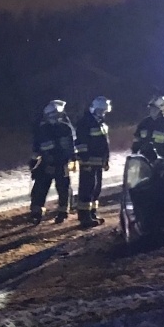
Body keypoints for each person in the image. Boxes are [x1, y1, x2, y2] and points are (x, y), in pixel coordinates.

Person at [29, 100, 77, 225]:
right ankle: (36, 211)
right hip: (47, 163)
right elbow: (37, 147)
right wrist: (33, 161)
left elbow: (71, 146)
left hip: (61, 163)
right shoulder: (43, 129)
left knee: (63, 188)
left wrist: (72, 159)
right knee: (40, 187)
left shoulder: (65, 128)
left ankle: (62, 212)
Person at [75, 95, 112, 228]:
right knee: (87, 188)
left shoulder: (101, 123)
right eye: (100, 111)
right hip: (88, 162)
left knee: (96, 188)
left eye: (104, 111)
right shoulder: (85, 122)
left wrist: (106, 159)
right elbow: (80, 143)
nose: (102, 113)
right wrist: (85, 159)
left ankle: (92, 212)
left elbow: (104, 144)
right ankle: (84, 216)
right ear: (94, 109)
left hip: (98, 161)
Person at [132, 95, 164, 164]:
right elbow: (137, 139)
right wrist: (134, 153)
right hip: (143, 160)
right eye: (152, 108)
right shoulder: (144, 123)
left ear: (161, 110)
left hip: (160, 162)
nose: (153, 110)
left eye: (155, 109)